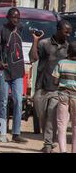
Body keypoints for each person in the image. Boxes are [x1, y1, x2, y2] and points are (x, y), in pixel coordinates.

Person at [30, 20, 72, 153]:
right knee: (42, 116)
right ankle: (47, 141)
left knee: (51, 117)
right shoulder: (44, 44)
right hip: (41, 87)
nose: (68, 35)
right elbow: (33, 58)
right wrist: (35, 41)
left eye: (69, 32)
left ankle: (48, 145)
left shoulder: (68, 47)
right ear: (58, 30)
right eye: (66, 32)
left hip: (58, 89)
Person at [0, 7, 28, 143]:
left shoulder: (20, 29)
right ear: (7, 17)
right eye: (13, 17)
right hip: (4, 70)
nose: (16, 20)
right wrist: (0, 63)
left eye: (18, 17)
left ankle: (16, 133)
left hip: (18, 70)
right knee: (3, 101)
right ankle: (1, 132)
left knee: (18, 101)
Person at [52, 41, 76, 153]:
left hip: (63, 96)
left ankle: (63, 151)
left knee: (61, 125)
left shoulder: (61, 62)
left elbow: (55, 80)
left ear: (68, 50)